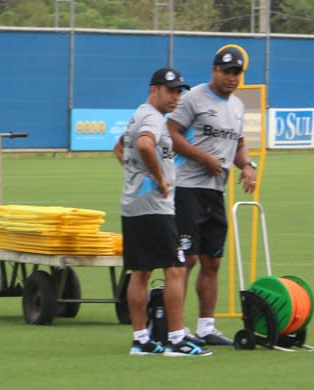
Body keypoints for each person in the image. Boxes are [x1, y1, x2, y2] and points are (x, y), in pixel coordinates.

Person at [114, 67, 212, 357]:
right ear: (153, 89)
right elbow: (144, 143)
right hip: (154, 207)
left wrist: (136, 176)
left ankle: (141, 339)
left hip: (133, 205)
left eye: (179, 91)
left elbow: (118, 148)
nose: (176, 96)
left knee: (141, 271)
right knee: (176, 267)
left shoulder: (139, 114)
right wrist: (157, 178)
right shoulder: (152, 118)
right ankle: (175, 338)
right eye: (171, 90)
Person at [167, 47, 258, 346]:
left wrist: (246, 166)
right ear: (214, 70)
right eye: (227, 71)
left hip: (215, 191)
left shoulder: (238, 106)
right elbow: (171, 132)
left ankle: (206, 327)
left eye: (237, 73)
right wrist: (201, 157)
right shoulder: (194, 97)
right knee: (187, 259)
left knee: (212, 261)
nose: (232, 78)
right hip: (188, 188)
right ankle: (176, 331)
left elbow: (239, 144)